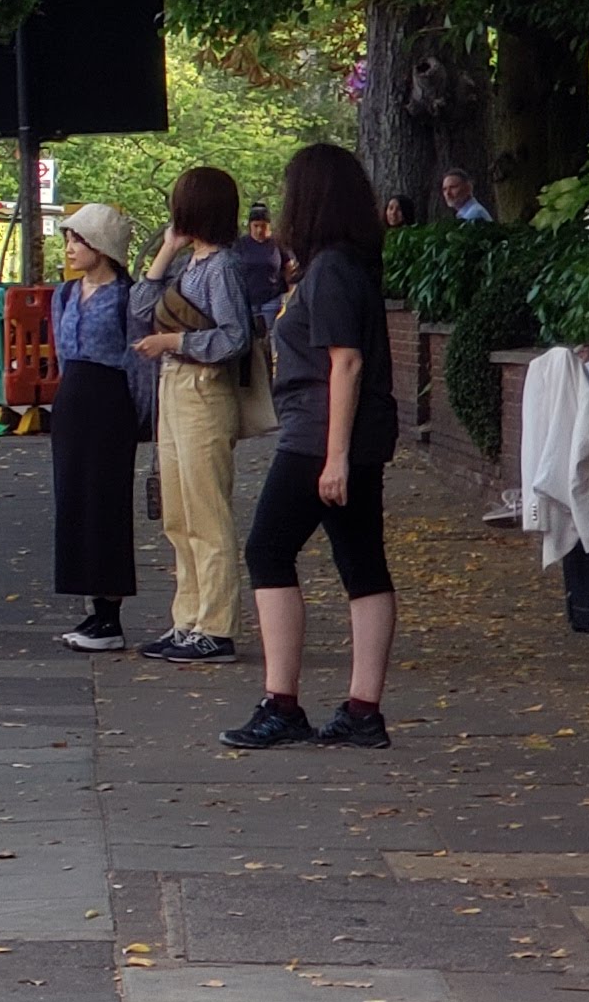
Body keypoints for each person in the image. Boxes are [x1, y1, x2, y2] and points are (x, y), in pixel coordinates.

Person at [226, 143, 404, 751]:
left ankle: (282, 702)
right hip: (352, 433)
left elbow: (344, 363)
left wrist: (335, 458)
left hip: (318, 435)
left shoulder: (328, 271)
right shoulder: (349, 265)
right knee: (362, 564)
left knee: (268, 550)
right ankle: (363, 709)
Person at [131, 166, 258, 664]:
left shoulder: (222, 267)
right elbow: (141, 306)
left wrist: (175, 341)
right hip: (174, 387)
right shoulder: (192, 263)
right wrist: (167, 250)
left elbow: (234, 336)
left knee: (206, 511)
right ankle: (188, 617)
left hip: (203, 388)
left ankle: (217, 625)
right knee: (179, 512)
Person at [48, 203, 145, 653]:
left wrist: (140, 413)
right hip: (73, 399)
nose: (70, 248)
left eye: (79, 240)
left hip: (110, 401)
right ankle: (91, 605)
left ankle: (111, 613)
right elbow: (60, 350)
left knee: (107, 502)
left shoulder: (127, 298)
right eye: (68, 239)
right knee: (73, 499)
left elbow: (136, 361)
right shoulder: (65, 294)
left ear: (102, 247)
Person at [233, 202, 288, 330]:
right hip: (247, 300)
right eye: (256, 226)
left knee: (271, 334)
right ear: (250, 226)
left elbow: (290, 269)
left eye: (263, 226)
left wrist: (289, 297)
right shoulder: (240, 245)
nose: (259, 230)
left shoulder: (277, 243)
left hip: (272, 299)